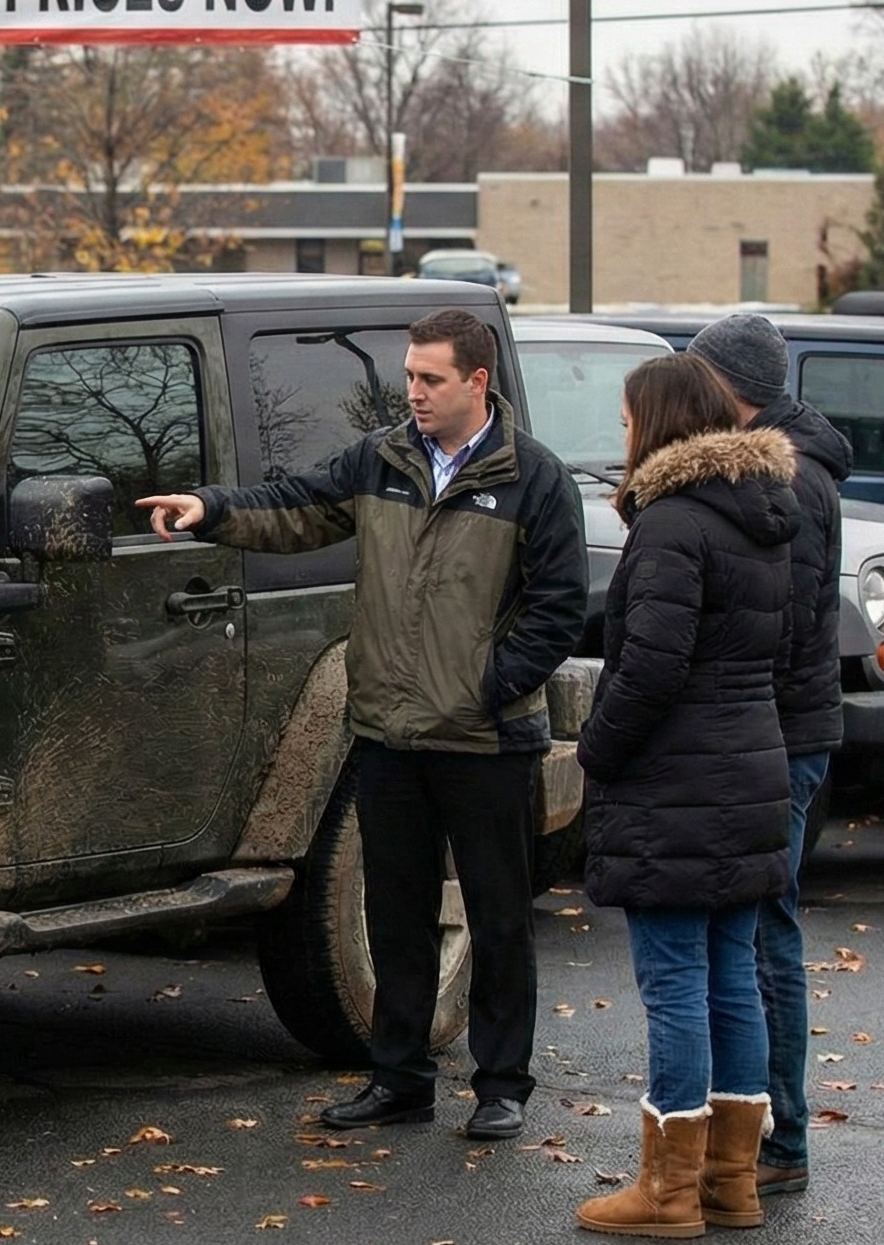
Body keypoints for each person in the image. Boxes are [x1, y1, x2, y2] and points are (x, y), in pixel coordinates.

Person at [136, 308, 586, 1138]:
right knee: (394, 912)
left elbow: (559, 610)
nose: (411, 391)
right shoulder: (382, 461)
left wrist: (489, 685)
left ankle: (501, 1086)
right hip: (388, 735)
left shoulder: (535, 479)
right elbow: (296, 506)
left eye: (429, 379)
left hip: (486, 740)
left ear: (477, 382)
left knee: (494, 917)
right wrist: (210, 507)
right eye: (409, 376)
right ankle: (400, 1078)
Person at [570, 351, 797, 1240]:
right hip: (749, 769)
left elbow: (650, 670)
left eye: (628, 420)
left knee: (673, 983)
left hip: (677, 781)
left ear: (658, 423)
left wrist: (596, 750)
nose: (621, 437)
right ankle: (731, 1182)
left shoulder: (671, 527)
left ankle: (666, 1192)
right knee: (733, 976)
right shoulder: (762, 517)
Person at [685, 312, 851, 1201]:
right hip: (782, 730)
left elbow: (783, 625)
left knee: (760, 933)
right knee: (756, 928)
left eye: (697, 376)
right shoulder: (784, 463)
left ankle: (777, 1137)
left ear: (731, 385)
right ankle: (751, 1132)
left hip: (781, 736)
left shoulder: (796, 480)